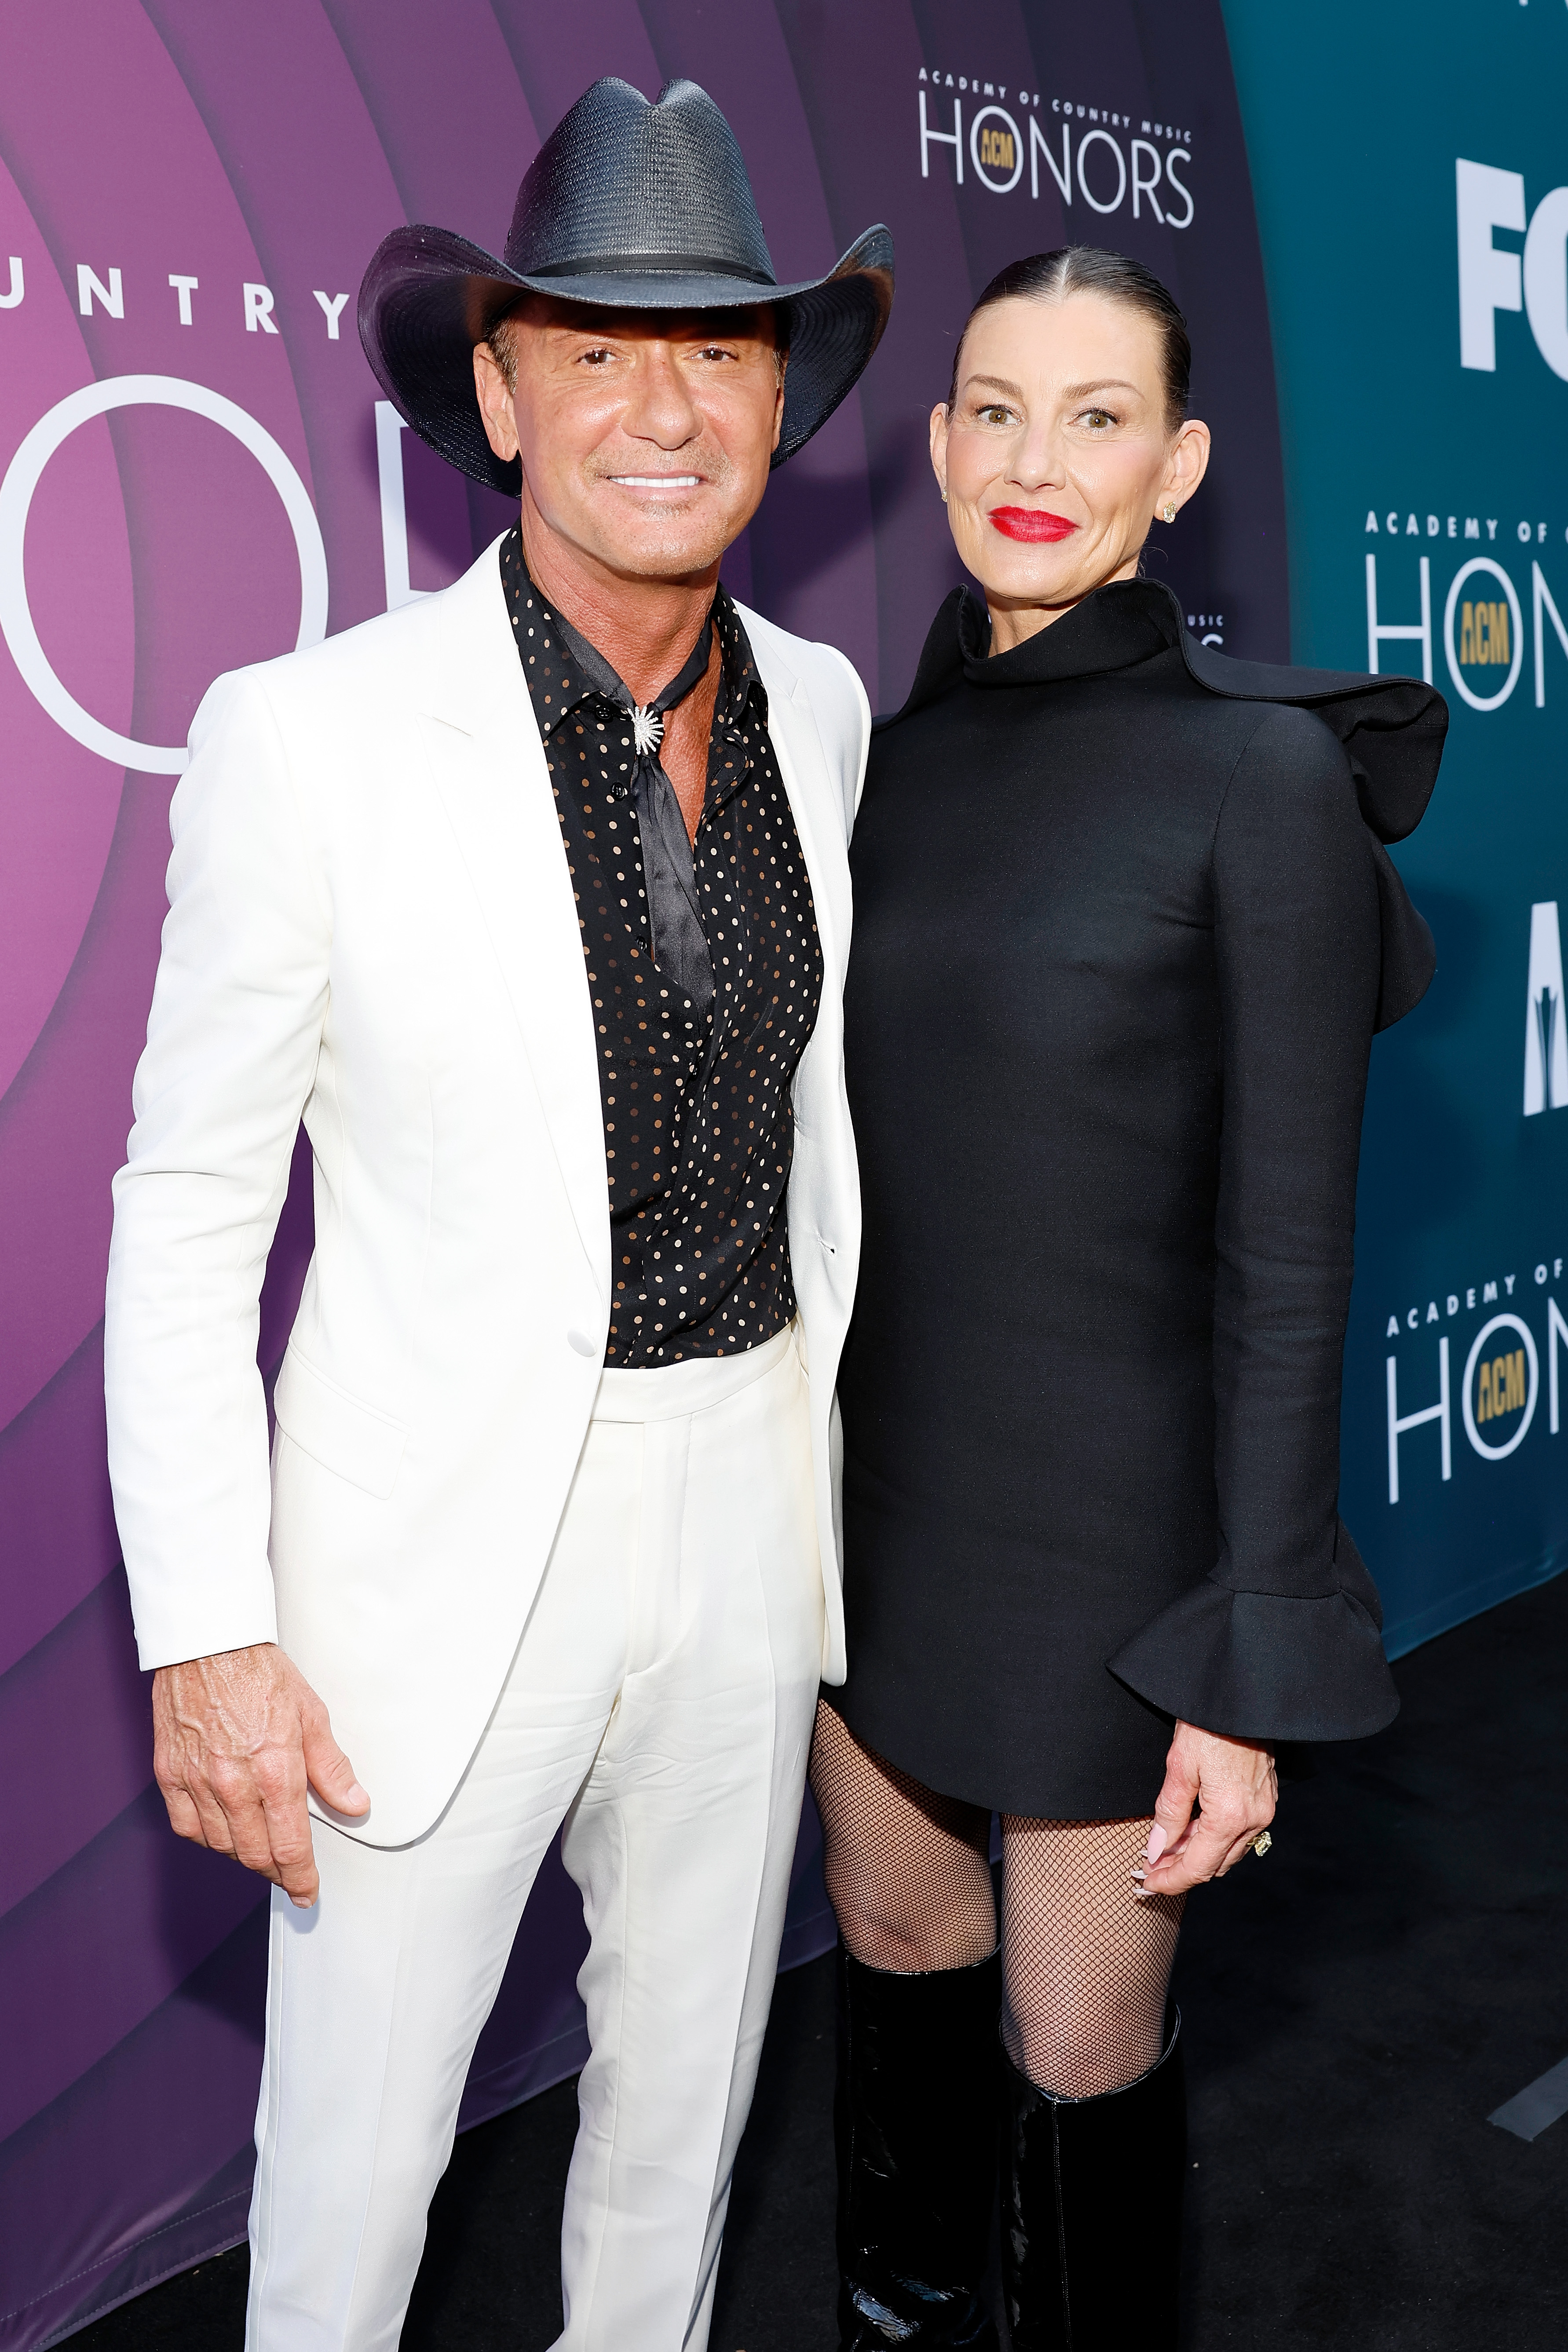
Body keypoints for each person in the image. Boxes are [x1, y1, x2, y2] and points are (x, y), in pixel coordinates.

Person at [104, 77, 892, 2352]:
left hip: (749, 1501)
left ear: (781, 397)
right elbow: (184, 1205)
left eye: (722, 349)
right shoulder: (309, 737)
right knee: (347, 2195)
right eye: (601, 345)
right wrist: (205, 1630)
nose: (667, 404)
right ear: (498, 389)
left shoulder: (827, 713)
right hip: (418, 1568)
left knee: (682, 2132)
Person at [810, 247, 1446, 2350]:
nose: (1034, 459)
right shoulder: (864, 773)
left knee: (1077, 2053)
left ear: (1175, 468)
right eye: (994, 406)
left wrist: (1238, 1660)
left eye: (1098, 419)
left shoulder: (1251, 778)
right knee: (894, 1971)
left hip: (1112, 1562)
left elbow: (1290, 1257)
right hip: (863, 1517)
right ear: (933, 436)